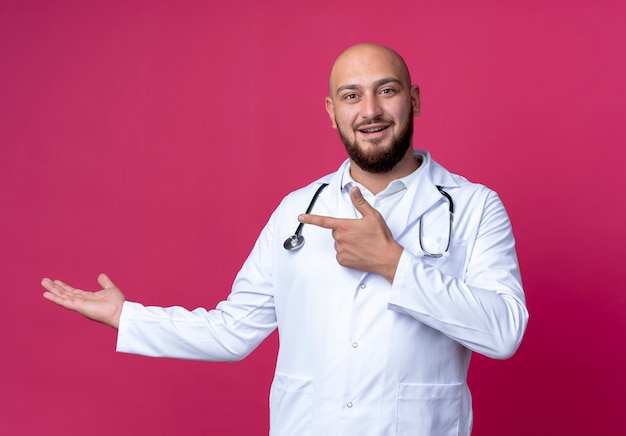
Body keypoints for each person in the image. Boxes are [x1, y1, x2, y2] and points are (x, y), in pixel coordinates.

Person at [42, 43, 528, 436]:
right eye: (351, 95)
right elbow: (232, 331)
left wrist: (394, 264)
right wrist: (127, 317)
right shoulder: (296, 211)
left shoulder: (474, 206)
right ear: (331, 111)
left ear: (415, 99)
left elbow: (505, 332)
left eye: (387, 90)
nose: (371, 110)